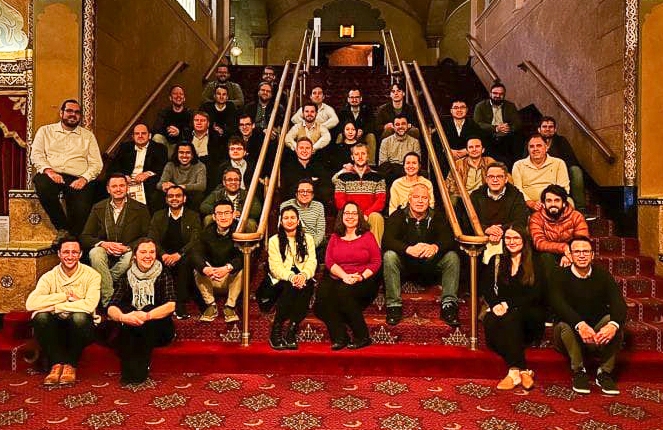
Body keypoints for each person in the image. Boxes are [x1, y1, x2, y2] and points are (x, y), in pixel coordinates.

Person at [550, 236, 626, 395]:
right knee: (564, 325)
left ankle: (604, 373)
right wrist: (580, 325)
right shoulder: (557, 275)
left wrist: (613, 326)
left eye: (586, 251)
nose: (582, 255)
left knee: (614, 323)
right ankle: (579, 371)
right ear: (570, 255)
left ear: (592, 255)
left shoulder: (603, 275)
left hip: (595, 334)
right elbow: (559, 306)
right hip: (567, 335)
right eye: (577, 252)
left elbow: (619, 304)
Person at [25, 237, 100, 385]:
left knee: (79, 317)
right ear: (59, 254)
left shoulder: (92, 275)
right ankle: (56, 364)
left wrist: (55, 307)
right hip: (56, 326)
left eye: (74, 252)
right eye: (66, 252)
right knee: (40, 317)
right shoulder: (49, 277)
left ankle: (70, 365)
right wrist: (64, 296)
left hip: (82, 327)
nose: (70, 256)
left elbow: (89, 306)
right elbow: (31, 303)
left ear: (80, 254)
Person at [383, 184, 460, 326]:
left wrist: (435, 247)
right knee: (389, 256)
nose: (420, 201)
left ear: (429, 200)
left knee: (452, 257)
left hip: (430, 265)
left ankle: (449, 306)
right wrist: (407, 249)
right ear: (409, 199)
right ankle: (393, 306)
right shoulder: (398, 215)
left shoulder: (437, 216)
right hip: (406, 265)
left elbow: (449, 239)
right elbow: (387, 241)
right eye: (416, 197)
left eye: (424, 198)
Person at [480, 226, 546, 390]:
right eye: (508, 238)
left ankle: (513, 371)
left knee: (511, 318)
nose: (511, 242)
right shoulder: (497, 260)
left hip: (529, 313)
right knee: (490, 322)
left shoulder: (536, 262)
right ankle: (522, 371)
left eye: (516, 238)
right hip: (501, 309)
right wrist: (495, 305)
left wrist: (508, 304)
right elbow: (486, 288)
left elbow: (537, 294)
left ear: (524, 240)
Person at [107, 238, 176, 385]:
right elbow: (111, 307)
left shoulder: (163, 274)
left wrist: (147, 315)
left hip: (159, 328)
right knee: (129, 312)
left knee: (147, 309)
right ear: (135, 256)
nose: (148, 256)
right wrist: (123, 317)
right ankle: (128, 371)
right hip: (132, 326)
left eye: (152, 252)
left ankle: (139, 370)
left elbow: (171, 305)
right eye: (143, 252)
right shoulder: (126, 277)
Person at [31, 99, 103, 239]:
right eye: (69, 111)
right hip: (52, 175)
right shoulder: (45, 131)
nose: (73, 115)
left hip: (78, 177)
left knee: (81, 209)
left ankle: (74, 242)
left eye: (77, 112)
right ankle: (62, 228)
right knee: (41, 183)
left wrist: (84, 178)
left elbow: (96, 163)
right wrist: (49, 171)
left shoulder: (87, 136)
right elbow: (36, 155)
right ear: (61, 113)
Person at [314, 202, 381, 350]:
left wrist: (361, 276)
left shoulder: (367, 236)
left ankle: (363, 336)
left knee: (343, 292)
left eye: (354, 213)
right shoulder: (335, 237)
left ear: (359, 217)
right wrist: (344, 276)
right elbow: (329, 261)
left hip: (363, 277)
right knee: (321, 300)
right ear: (341, 216)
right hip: (339, 274)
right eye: (346, 213)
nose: (350, 216)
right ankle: (340, 336)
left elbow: (376, 261)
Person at [81, 174, 150, 307]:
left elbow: (147, 236)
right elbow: (85, 236)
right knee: (95, 253)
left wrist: (128, 247)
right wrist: (104, 244)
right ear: (108, 189)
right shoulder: (98, 207)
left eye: (121, 185)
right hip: (106, 250)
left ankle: (101, 282)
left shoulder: (140, 208)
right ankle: (109, 301)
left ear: (127, 187)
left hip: (128, 250)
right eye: (114, 186)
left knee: (131, 255)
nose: (118, 189)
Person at [265, 206, 317, 350]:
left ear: (298, 220)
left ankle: (292, 330)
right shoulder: (274, 240)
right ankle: (276, 328)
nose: (289, 221)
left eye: (293, 217)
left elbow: (312, 261)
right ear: (281, 222)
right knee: (290, 287)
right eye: (286, 218)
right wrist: (292, 277)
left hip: (303, 276)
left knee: (306, 287)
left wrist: (304, 275)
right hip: (281, 279)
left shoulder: (308, 239)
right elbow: (275, 268)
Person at [148, 185, 202, 319]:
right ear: (166, 200)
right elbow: (152, 238)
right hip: (163, 255)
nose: (174, 199)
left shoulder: (193, 216)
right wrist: (164, 254)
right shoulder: (158, 215)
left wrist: (179, 254)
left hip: (184, 255)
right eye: (170, 196)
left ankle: (179, 303)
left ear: (184, 199)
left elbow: (195, 240)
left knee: (184, 263)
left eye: (178, 196)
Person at [191, 200, 244, 323]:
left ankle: (230, 306)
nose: (223, 217)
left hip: (230, 277)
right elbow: (195, 253)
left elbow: (243, 257)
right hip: (212, 277)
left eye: (227, 213)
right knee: (198, 267)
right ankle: (211, 305)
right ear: (214, 217)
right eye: (219, 214)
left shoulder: (241, 231)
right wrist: (206, 269)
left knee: (242, 267)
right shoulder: (206, 232)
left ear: (233, 214)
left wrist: (226, 268)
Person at [469, 162, 528, 261]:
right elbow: (467, 220)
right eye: (491, 176)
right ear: (486, 179)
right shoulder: (475, 196)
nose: (495, 180)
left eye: (499, 177)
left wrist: (501, 231)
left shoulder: (517, 195)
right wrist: (486, 229)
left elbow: (520, 220)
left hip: (508, 240)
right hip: (481, 240)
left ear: (505, 179)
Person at [530, 185, 589, 276]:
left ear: (564, 203)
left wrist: (568, 255)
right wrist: (563, 248)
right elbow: (539, 243)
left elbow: (582, 241)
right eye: (549, 201)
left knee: (580, 256)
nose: (553, 204)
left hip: (571, 253)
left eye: (557, 200)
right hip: (547, 255)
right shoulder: (536, 217)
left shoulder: (576, 216)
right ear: (544, 204)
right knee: (546, 257)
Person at [108, 123, 168, 213]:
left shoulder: (159, 148)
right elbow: (114, 166)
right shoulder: (125, 147)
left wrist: (147, 173)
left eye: (143, 133)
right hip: (127, 181)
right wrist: (123, 176)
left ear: (150, 135)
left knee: (154, 194)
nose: (140, 136)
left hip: (147, 182)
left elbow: (163, 167)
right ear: (133, 136)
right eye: (137, 134)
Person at [334, 143, 386, 245]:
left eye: (363, 153)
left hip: (369, 216)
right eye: (357, 154)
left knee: (377, 217)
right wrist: (355, 214)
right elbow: (339, 201)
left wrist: (365, 214)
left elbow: (380, 201)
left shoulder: (378, 177)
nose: (360, 157)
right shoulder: (342, 178)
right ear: (352, 157)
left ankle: (375, 254)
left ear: (368, 156)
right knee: (345, 216)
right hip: (350, 215)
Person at [538, 116, 587, 214]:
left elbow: (572, 160)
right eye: (544, 126)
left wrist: (556, 166)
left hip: (560, 172)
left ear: (555, 129)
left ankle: (581, 210)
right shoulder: (534, 142)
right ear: (539, 129)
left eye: (550, 127)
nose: (547, 129)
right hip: (539, 172)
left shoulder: (561, 141)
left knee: (576, 170)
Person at [512, 134, 570, 211]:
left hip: (553, 200)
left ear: (547, 147)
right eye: (531, 146)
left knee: (569, 203)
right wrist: (530, 203)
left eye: (539, 145)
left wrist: (548, 201)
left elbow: (563, 187)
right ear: (528, 149)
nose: (535, 149)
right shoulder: (518, 165)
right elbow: (517, 189)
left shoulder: (559, 163)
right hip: (527, 203)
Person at [473, 82, 522, 168]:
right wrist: (495, 128)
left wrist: (508, 128)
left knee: (517, 139)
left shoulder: (510, 106)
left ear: (504, 95)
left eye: (501, 94)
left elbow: (517, 123)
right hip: (488, 136)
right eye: (495, 93)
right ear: (490, 94)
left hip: (506, 137)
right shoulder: (480, 106)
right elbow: (477, 123)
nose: (497, 96)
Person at [280, 179, 327, 260]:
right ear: (296, 193)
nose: (305, 194)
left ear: (313, 195)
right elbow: (283, 228)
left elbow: (320, 231)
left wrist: (310, 247)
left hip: (314, 244)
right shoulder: (286, 205)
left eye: (308, 191)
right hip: (293, 243)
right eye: (301, 191)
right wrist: (297, 247)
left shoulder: (319, 206)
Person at [157, 141, 207, 210]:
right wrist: (164, 185)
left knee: (198, 196)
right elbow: (159, 184)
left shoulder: (200, 166)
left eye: (188, 153)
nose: (184, 155)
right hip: (173, 194)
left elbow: (202, 186)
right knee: (157, 196)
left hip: (190, 195)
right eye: (181, 152)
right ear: (177, 154)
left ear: (192, 155)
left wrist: (182, 187)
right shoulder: (170, 165)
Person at [281, 137, 331, 203]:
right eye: (301, 148)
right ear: (296, 150)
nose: (304, 151)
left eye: (307, 148)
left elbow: (325, 187)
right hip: (294, 203)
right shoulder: (288, 167)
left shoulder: (319, 167)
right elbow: (288, 190)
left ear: (312, 150)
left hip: (314, 204)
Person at [378, 114, 422, 186]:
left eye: (403, 124)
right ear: (394, 127)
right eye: (397, 124)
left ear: (408, 126)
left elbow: (417, 163)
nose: (400, 127)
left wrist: (398, 168)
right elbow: (383, 164)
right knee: (384, 169)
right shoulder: (385, 141)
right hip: (390, 175)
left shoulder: (415, 142)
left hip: (409, 171)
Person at [189, 111, 227, 193]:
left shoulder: (216, 136)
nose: (199, 123)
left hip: (209, 169)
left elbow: (218, 158)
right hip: (189, 167)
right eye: (196, 120)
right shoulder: (186, 135)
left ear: (208, 123)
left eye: (202, 121)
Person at [336, 88, 376, 162]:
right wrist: (349, 132)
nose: (354, 100)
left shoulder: (367, 110)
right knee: (340, 136)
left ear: (360, 99)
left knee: (371, 136)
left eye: (356, 97)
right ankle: (338, 162)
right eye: (352, 97)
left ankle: (370, 164)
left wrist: (363, 131)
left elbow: (372, 124)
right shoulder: (343, 111)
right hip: (348, 135)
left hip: (363, 135)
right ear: (348, 99)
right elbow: (340, 126)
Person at [153, 85, 193, 157]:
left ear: (184, 98)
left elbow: (191, 131)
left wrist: (179, 132)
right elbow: (156, 129)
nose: (178, 96)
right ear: (170, 98)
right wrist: (168, 130)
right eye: (175, 94)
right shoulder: (164, 112)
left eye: (181, 94)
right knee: (157, 137)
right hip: (166, 146)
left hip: (182, 147)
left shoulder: (190, 113)